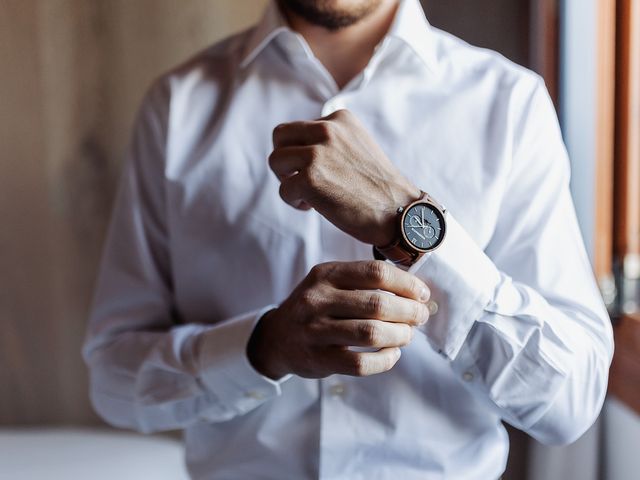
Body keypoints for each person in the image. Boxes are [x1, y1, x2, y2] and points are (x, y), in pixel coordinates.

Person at [82, 0, 614, 478]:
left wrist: (407, 222)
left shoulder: (510, 104)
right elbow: (114, 380)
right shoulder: (178, 107)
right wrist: (262, 348)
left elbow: (569, 400)